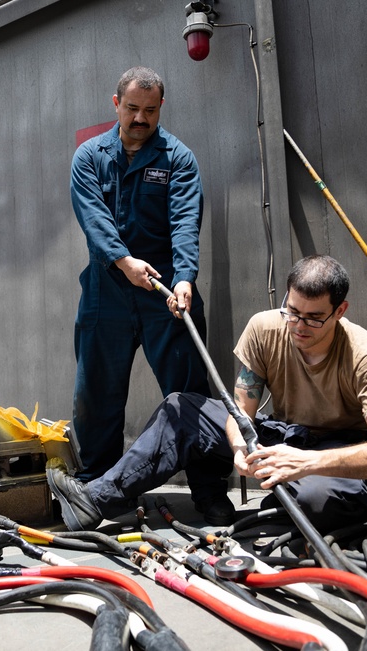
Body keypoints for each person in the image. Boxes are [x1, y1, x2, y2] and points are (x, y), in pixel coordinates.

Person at [47, 255, 367, 532]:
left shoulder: (365, 355)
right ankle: (95, 500)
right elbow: (240, 411)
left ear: (339, 310)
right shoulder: (265, 328)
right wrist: (240, 448)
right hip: (284, 436)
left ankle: (293, 496)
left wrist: (306, 464)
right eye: (292, 311)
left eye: (313, 318)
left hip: (335, 452)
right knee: (182, 409)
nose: (298, 326)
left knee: (320, 500)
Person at [70, 66, 233, 524]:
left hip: (166, 289)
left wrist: (184, 278)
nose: (140, 118)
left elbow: (185, 220)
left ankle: (208, 489)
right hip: (108, 288)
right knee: (97, 392)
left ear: (161, 107)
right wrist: (123, 261)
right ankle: (97, 488)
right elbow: (94, 219)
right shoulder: (89, 156)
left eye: (150, 109)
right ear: (116, 104)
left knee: (190, 393)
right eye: (133, 108)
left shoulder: (177, 158)